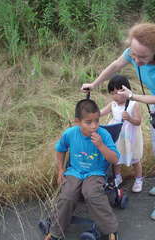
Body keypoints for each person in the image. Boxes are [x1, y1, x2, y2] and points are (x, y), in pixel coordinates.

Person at [81, 22, 155, 220]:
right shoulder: (134, 52)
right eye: (133, 54)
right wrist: (94, 83)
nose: (135, 59)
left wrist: (131, 96)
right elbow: (116, 65)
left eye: (142, 57)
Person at [49, 99, 120, 240]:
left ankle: (111, 229)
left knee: (92, 193)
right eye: (88, 122)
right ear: (77, 122)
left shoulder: (103, 134)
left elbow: (114, 159)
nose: (94, 126)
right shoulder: (70, 133)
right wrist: (60, 169)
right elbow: (60, 149)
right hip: (75, 171)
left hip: (96, 172)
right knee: (67, 195)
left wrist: (101, 146)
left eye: (97, 121)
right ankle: (55, 232)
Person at [100, 75, 144, 193]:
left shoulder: (133, 104)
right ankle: (117, 177)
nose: (115, 96)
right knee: (116, 157)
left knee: (135, 159)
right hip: (117, 134)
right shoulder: (113, 105)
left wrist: (129, 118)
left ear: (126, 91)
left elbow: (138, 121)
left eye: (118, 92)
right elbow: (101, 112)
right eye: (112, 93)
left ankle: (139, 179)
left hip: (130, 136)